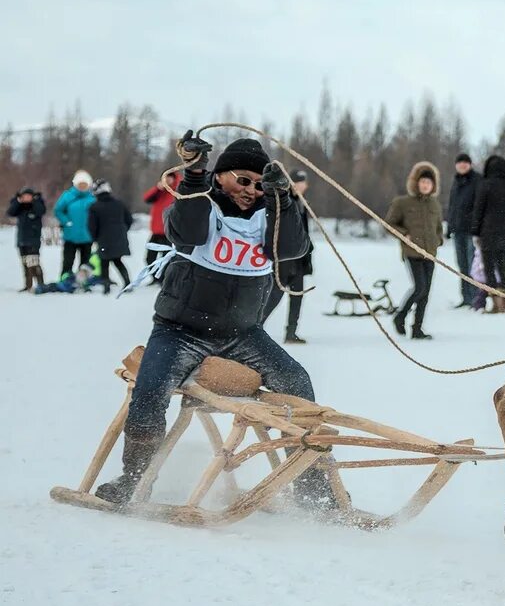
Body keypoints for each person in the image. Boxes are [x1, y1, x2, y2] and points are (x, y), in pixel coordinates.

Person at [94, 132, 331, 507]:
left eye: (257, 183)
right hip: (179, 330)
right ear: (221, 176)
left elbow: (292, 248)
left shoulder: (269, 214)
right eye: (242, 179)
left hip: (242, 334)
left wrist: (281, 197)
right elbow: (185, 231)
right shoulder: (201, 203)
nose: (250, 189)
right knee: (150, 393)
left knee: (296, 381)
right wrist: (194, 173)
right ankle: (133, 480)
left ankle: (311, 487)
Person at [386, 161, 445, 339]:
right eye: (423, 182)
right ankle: (400, 317)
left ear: (433, 185)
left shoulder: (435, 205)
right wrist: (405, 234)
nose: (426, 185)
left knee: (425, 293)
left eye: (429, 182)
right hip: (412, 253)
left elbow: (438, 228)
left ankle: (417, 328)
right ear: (416, 183)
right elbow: (389, 224)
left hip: (430, 253)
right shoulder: (403, 203)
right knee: (419, 288)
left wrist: (438, 241)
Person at [263, 169, 313, 344]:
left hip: (299, 259)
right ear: (293, 183)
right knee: (275, 294)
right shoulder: (285, 201)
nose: (305, 185)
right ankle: (257, 326)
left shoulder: (300, 202)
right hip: (284, 259)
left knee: (297, 295)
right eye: (302, 182)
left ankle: (291, 332)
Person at [471, 154, 505, 312]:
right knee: (503, 268)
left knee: (489, 269)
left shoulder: (484, 186)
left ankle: (496, 303)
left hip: (489, 234)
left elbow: (478, 210)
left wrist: (475, 232)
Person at [87, 179, 134, 295]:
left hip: (104, 240)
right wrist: (122, 231)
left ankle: (106, 286)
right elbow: (129, 219)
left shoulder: (95, 206)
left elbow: (92, 226)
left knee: (104, 263)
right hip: (119, 238)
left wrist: (94, 238)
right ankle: (128, 283)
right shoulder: (119, 203)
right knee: (118, 261)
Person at [445, 153, 480, 308]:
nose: (462, 165)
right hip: (457, 230)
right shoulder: (456, 182)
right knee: (462, 265)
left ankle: (475, 297)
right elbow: (452, 206)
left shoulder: (478, 180)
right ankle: (465, 297)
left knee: (472, 264)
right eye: (460, 163)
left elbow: (480, 206)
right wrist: (449, 226)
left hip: (471, 231)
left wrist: (477, 226)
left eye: (465, 162)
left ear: (470, 164)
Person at [54, 170, 96, 277]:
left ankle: (83, 282)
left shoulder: (92, 199)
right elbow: (58, 210)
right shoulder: (67, 196)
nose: (82, 186)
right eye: (80, 184)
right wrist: (66, 221)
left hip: (87, 236)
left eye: (85, 184)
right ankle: (64, 279)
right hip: (70, 235)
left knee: (85, 262)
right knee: (68, 261)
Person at [7, 187, 45, 291]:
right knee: (25, 264)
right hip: (21, 240)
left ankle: (41, 284)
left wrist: (36, 200)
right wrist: (17, 201)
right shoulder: (20, 208)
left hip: (33, 240)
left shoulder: (37, 206)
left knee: (33, 263)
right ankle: (28, 285)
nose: (26, 198)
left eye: (28, 196)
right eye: (24, 196)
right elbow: (10, 212)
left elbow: (41, 211)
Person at [142, 172, 179, 276]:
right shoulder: (159, 192)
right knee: (149, 258)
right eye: (165, 178)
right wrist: (158, 188)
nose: (167, 180)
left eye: (169, 178)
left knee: (167, 258)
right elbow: (147, 198)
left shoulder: (177, 191)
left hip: (169, 231)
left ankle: (164, 279)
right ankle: (155, 278)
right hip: (156, 231)